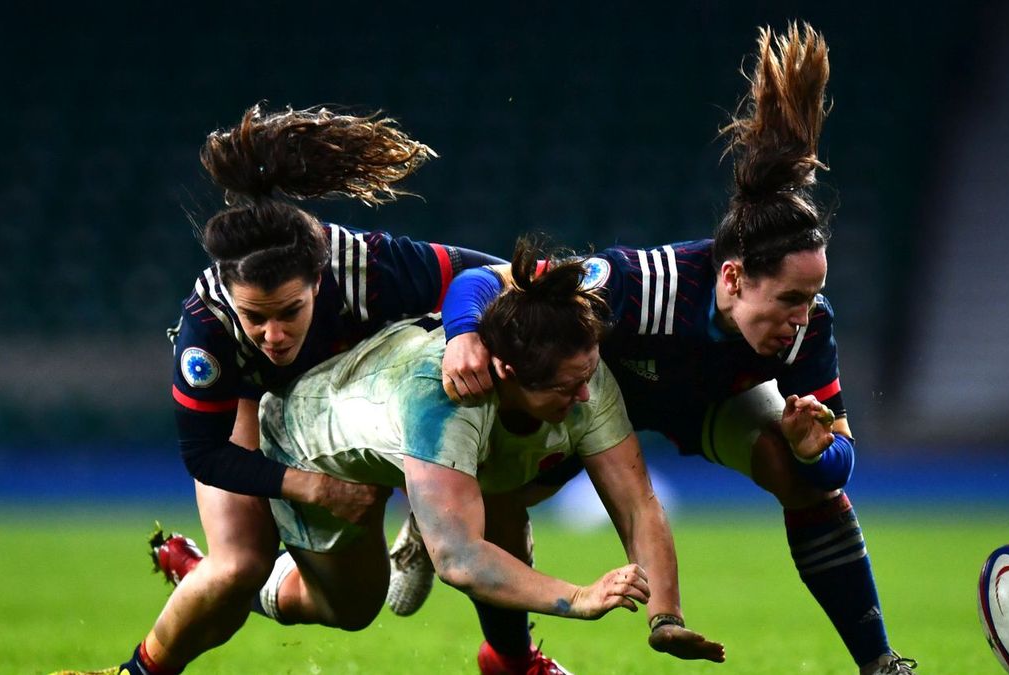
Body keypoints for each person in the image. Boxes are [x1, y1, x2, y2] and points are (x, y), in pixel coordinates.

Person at [419, 23, 917, 675]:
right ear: (734, 278)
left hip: (714, 402)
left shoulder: (810, 330)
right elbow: (488, 281)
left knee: (803, 482)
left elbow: (839, 461)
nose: (802, 317)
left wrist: (812, 452)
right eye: (790, 298)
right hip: (598, 396)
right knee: (504, 492)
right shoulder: (637, 285)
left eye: (811, 297)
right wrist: (461, 335)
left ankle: (878, 662)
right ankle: (510, 659)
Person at [56, 102, 503, 675]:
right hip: (252, 406)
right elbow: (203, 452)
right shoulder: (208, 326)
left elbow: (493, 278)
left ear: (319, 278)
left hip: (350, 406)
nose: (272, 335)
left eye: (290, 312)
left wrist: (467, 331)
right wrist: (313, 489)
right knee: (239, 568)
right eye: (255, 317)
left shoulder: (366, 264)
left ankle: (421, 503)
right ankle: (135, 668)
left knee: (354, 611)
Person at [242, 240, 725, 672]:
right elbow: (460, 559)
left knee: (503, 504)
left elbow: (638, 502)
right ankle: (234, 581)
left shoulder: (579, 370)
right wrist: (580, 597)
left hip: (425, 443)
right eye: (567, 386)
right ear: (509, 372)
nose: (585, 396)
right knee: (352, 609)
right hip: (305, 441)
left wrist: (665, 616)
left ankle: (511, 659)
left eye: (588, 375)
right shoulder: (444, 397)